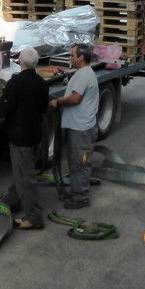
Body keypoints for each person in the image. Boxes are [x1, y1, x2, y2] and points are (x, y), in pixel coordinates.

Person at [0, 47, 49, 230]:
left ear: (20, 63)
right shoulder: (42, 83)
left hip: (20, 137)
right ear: (36, 64)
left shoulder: (16, 82)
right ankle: (12, 199)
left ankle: (34, 217)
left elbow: (3, 111)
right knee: (21, 171)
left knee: (26, 177)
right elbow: (43, 108)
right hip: (35, 134)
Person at [48, 43, 100, 209]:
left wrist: (57, 102)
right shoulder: (82, 73)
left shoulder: (84, 75)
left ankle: (81, 198)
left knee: (80, 164)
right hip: (79, 127)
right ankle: (77, 191)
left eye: (72, 55)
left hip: (82, 130)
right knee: (76, 162)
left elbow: (75, 98)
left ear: (81, 58)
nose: (69, 58)